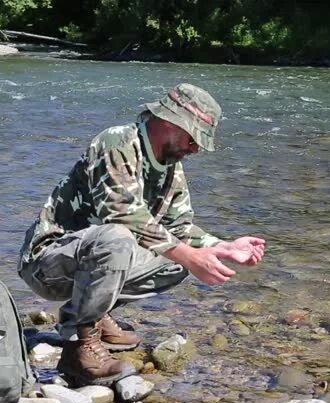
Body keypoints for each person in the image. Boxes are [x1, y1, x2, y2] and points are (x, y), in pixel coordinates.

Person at [18, 84, 266, 386]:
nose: (195, 149)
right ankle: (78, 348)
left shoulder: (171, 167)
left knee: (180, 263)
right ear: (168, 123)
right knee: (118, 239)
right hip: (48, 263)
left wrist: (222, 247)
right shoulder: (117, 142)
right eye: (193, 138)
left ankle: (95, 313)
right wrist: (190, 254)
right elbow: (121, 214)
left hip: (94, 260)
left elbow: (179, 230)